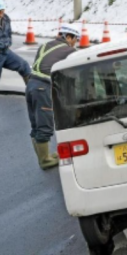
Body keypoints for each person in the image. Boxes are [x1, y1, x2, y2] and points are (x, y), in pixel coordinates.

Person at [26, 24, 79, 170]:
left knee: (36, 123)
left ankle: (43, 157)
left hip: (31, 85)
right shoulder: (69, 50)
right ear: (68, 37)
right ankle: (45, 160)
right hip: (43, 87)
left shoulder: (45, 45)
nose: (76, 43)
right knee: (44, 123)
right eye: (75, 39)